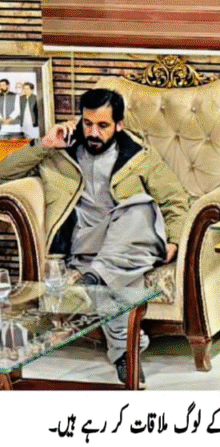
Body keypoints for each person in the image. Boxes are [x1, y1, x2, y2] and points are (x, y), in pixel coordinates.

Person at [0, 88, 189, 386]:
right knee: (124, 269)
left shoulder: (139, 156)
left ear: (119, 125)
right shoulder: (61, 151)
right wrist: (44, 144)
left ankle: (96, 282)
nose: (93, 133)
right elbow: (4, 174)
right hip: (86, 244)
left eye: (103, 126)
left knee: (140, 208)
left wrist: (175, 240)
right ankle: (126, 351)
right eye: (87, 123)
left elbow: (175, 200)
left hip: (129, 237)